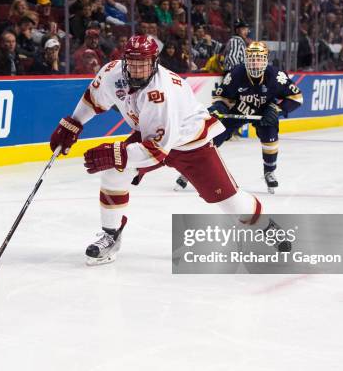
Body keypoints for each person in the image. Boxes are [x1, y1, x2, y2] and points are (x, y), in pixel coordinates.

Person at [48, 35, 290, 266]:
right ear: (124, 62)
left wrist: (115, 153)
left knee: (231, 202)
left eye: (143, 64)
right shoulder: (112, 72)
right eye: (132, 63)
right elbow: (93, 98)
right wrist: (74, 122)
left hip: (189, 143)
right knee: (114, 172)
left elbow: (156, 151)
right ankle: (111, 235)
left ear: (154, 63)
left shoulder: (163, 92)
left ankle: (267, 228)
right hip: (151, 135)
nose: (137, 70)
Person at [175, 41, 303, 194]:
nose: (255, 63)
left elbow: (297, 97)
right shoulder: (236, 73)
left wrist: (277, 109)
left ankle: (269, 171)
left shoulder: (276, 76)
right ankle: (190, 171)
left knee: (270, 135)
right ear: (246, 59)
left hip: (264, 112)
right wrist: (219, 108)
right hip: (239, 109)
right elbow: (222, 96)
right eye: (252, 58)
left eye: (259, 58)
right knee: (214, 137)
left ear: (266, 59)